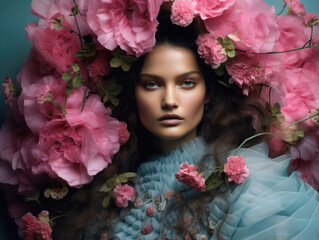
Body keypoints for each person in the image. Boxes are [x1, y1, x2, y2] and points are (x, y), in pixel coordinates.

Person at [50, 8, 319, 240]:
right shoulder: (108, 189)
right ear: (134, 93)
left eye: (186, 83)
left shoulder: (241, 181)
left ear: (207, 93)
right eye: (152, 84)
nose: (169, 100)